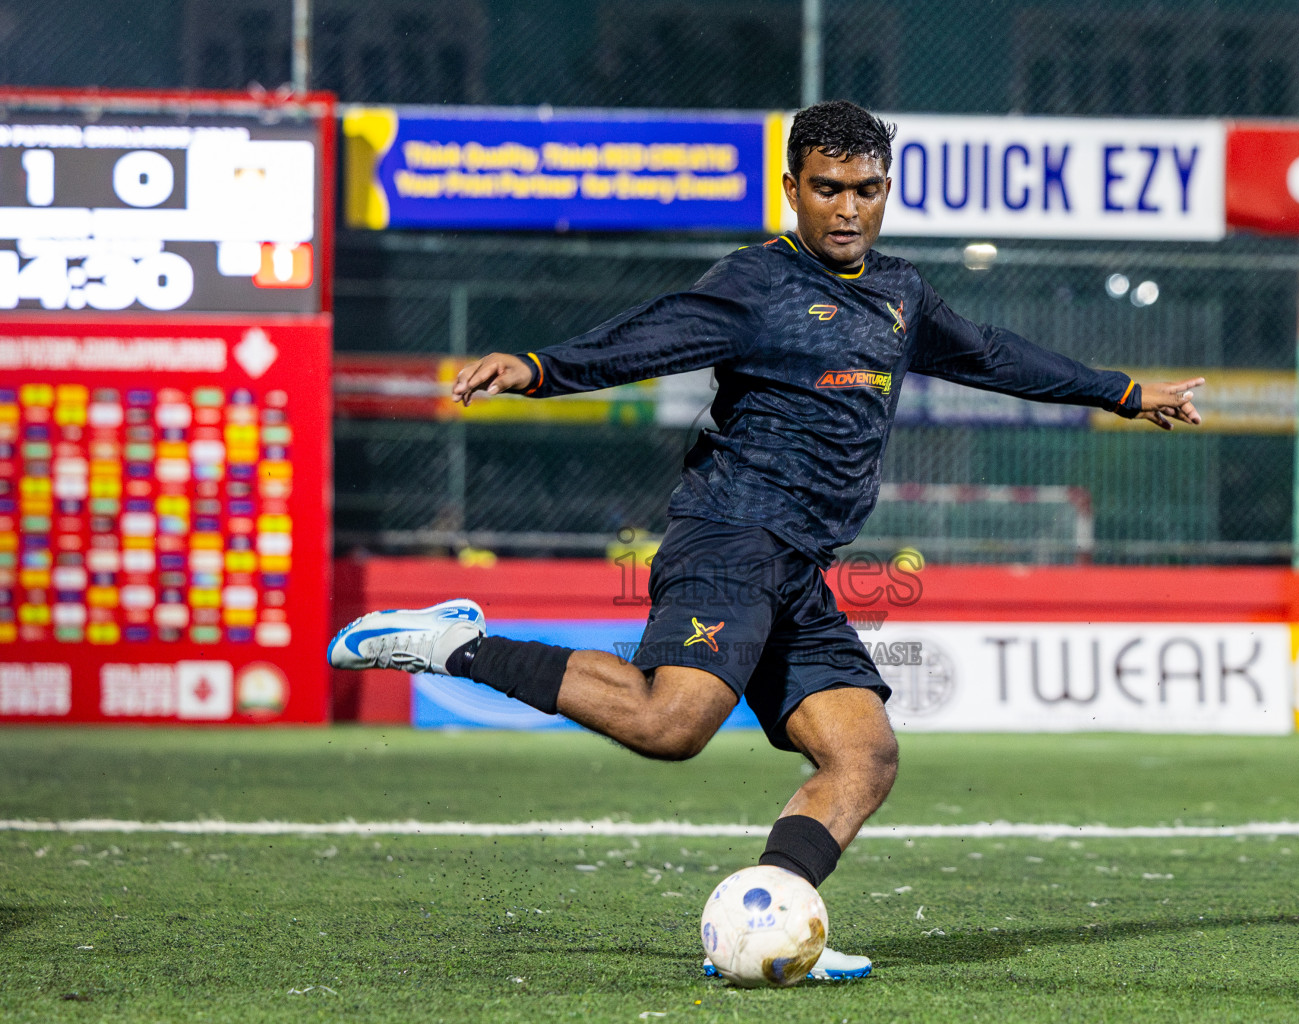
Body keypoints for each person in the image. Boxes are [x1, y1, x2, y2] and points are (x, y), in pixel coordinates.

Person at [328, 100, 1204, 980]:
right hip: (730, 535)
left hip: (799, 567)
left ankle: (774, 923)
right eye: (828, 189)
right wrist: (543, 369)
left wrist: (1123, 391)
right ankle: (453, 644)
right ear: (793, 189)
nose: (849, 208)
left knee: (863, 755)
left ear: (886, 190)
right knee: (672, 724)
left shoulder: (901, 295)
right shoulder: (758, 283)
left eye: (865, 189)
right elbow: (653, 336)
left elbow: (992, 355)